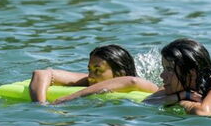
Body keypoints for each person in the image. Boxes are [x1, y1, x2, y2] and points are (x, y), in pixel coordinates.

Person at [28, 44, 159, 105]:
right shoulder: (90, 80)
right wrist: (41, 106)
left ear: (120, 73)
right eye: (90, 69)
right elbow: (42, 74)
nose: (91, 76)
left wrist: (69, 97)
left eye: (98, 70)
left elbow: (131, 81)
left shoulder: (144, 85)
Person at [143, 39, 211, 116]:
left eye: (169, 69)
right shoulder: (182, 87)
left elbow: (204, 113)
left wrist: (181, 101)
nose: (162, 75)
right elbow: (147, 102)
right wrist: (183, 95)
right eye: (164, 69)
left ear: (191, 73)